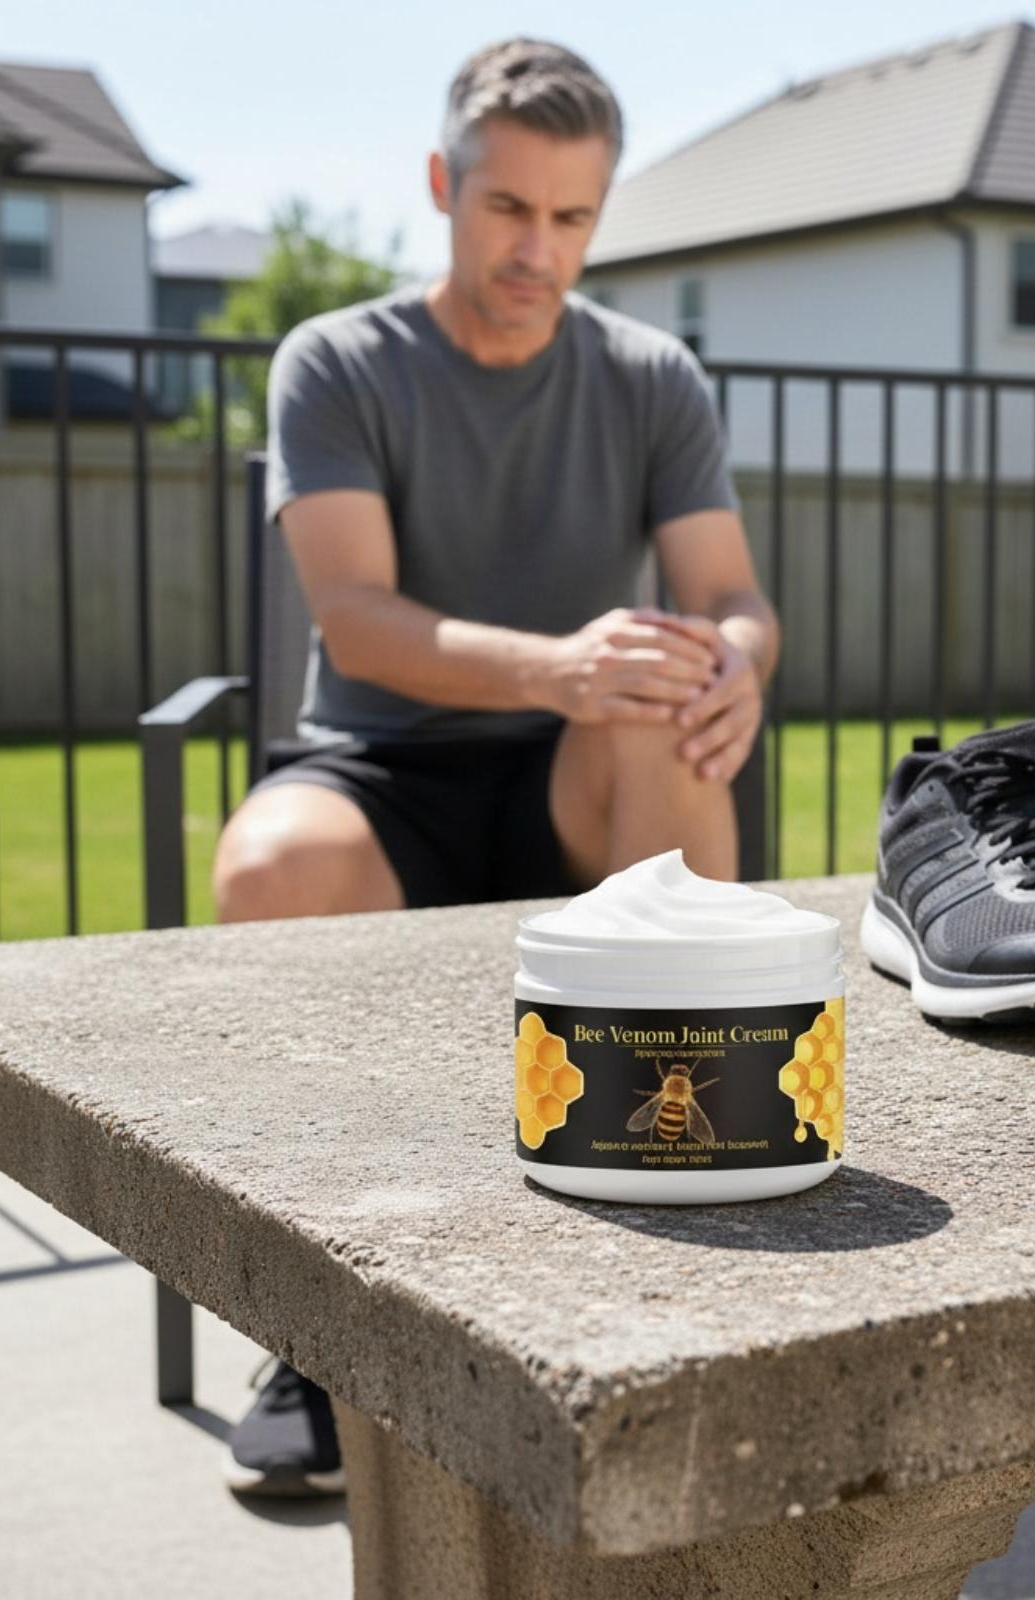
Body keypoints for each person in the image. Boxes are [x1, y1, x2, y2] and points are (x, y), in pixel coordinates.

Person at [212, 37, 779, 1497]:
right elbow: (356, 618)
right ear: (441, 185)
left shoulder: (650, 376)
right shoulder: (337, 360)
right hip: (383, 769)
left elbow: (729, 591)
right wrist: (557, 665)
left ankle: (686, 1264)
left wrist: (737, 663)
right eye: (508, 208)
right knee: (269, 867)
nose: (538, 250)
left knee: (664, 692)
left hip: (575, 775)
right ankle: (320, 1341)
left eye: (571, 217)